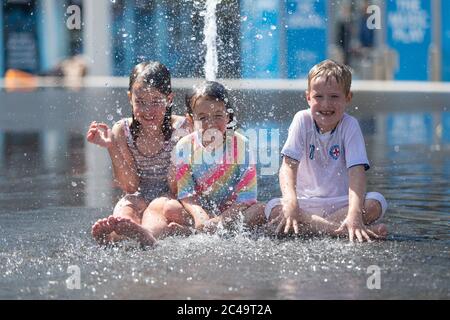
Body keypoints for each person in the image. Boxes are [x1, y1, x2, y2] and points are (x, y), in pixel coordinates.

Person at [264, 59, 387, 242]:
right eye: (318, 97)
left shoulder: (350, 125)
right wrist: (291, 201)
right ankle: (341, 231)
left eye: (334, 97)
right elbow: (288, 165)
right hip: (304, 204)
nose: (326, 104)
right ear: (308, 98)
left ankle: (312, 228)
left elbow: (357, 172)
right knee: (274, 209)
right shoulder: (302, 120)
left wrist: (354, 213)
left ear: (348, 98)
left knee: (376, 203)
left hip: (340, 203)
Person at [87, 61, 192, 247]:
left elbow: (176, 187)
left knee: (159, 206)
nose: (148, 111)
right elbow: (130, 185)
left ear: (169, 99)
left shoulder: (183, 130)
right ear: (130, 98)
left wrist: (181, 151)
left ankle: (144, 235)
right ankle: (123, 232)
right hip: (141, 197)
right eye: (140, 102)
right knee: (125, 205)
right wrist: (112, 147)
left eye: (156, 102)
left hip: (174, 201)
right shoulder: (122, 130)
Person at [175, 81, 266, 233]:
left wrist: (220, 220)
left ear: (228, 116)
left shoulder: (241, 144)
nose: (211, 123)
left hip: (235, 213)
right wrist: (201, 217)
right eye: (202, 118)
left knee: (262, 209)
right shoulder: (184, 146)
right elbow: (187, 194)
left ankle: (192, 230)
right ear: (191, 120)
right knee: (169, 207)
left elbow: (247, 197)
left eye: (218, 116)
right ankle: (198, 228)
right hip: (201, 211)